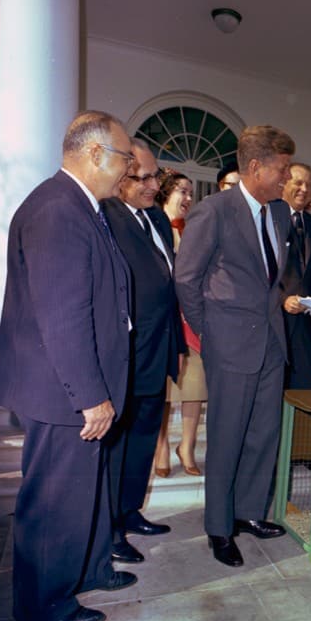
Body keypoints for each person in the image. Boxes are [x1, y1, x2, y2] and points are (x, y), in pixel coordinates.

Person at [0, 110, 137, 621]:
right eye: (124, 158)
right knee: (54, 498)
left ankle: (91, 567)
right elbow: (63, 315)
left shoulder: (83, 206)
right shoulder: (58, 209)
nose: (129, 169)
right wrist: (90, 395)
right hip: (60, 388)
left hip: (72, 381)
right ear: (96, 153)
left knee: (86, 488)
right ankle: (44, 601)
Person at [176, 125, 294, 567]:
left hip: (271, 342)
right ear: (256, 166)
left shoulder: (279, 214)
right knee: (226, 437)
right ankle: (219, 527)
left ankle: (248, 512)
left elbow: (273, 278)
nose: (286, 178)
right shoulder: (215, 210)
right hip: (229, 344)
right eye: (281, 170)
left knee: (263, 434)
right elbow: (186, 278)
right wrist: (209, 333)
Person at [101, 139, 184, 565]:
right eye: (144, 177)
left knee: (144, 441)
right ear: (119, 178)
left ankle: (131, 512)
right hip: (126, 356)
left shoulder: (154, 217)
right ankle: (110, 529)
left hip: (158, 350)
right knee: (118, 448)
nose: (155, 185)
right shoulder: (106, 218)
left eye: (157, 175)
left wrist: (179, 344)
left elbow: (168, 287)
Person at [152, 169, 206, 478]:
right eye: (181, 191)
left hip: (192, 319)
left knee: (194, 386)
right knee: (164, 391)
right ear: (166, 192)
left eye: (190, 193)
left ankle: (186, 446)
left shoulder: (194, 230)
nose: (187, 198)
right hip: (164, 320)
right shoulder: (153, 225)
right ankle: (161, 447)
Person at [280, 162, 311, 389]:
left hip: (303, 322)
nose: (304, 189)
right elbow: (259, 271)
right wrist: (282, 299)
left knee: (304, 386)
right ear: (284, 183)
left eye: (309, 185)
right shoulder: (270, 219)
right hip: (274, 321)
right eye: (298, 182)